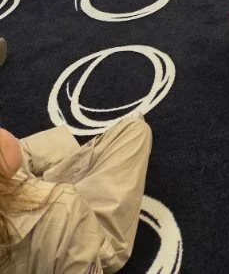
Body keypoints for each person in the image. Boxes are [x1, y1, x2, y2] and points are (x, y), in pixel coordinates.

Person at [0, 113, 151, 271]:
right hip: (78, 236)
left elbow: (14, 151)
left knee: (47, 151)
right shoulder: (63, 209)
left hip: (40, 214)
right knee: (136, 131)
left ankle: (67, 159)